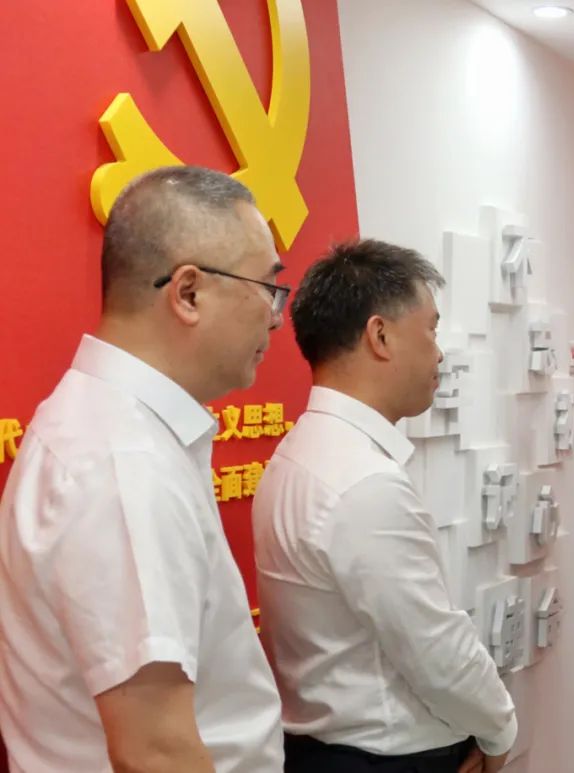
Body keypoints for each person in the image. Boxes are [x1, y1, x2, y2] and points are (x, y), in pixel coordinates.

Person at [0, 166, 288, 771]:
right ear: (188, 294)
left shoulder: (111, 430)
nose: (274, 317)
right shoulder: (124, 463)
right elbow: (155, 750)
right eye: (267, 287)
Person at [252, 239, 517, 773]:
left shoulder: (300, 451)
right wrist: (500, 729)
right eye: (431, 330)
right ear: (380, 336)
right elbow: (437, 651)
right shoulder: (363, 481)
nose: (438, 353)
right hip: (384, 758)